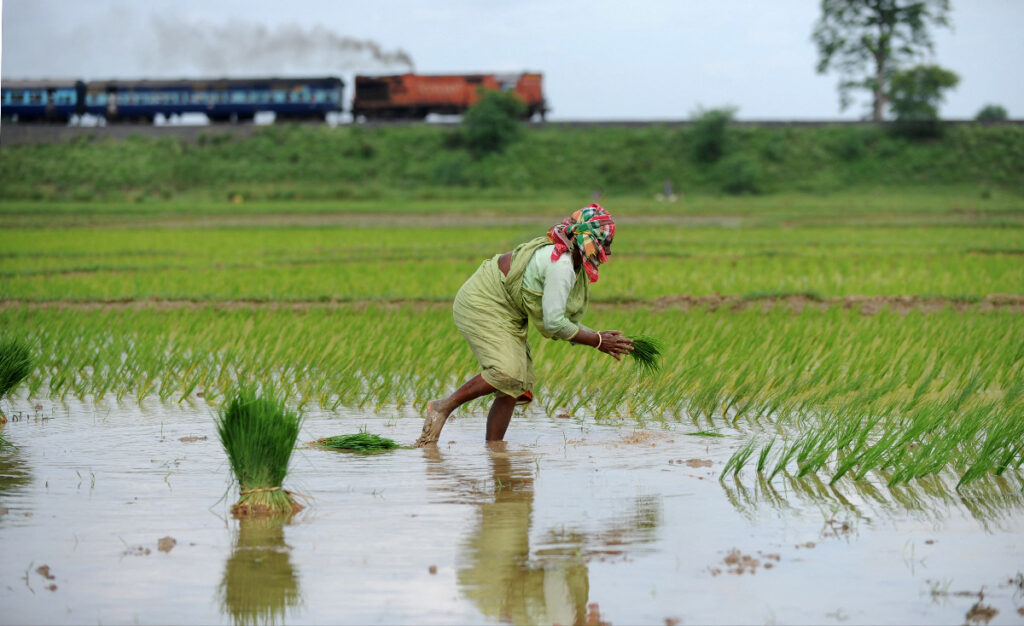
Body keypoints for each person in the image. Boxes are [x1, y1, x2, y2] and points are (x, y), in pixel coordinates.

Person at [415, 204, 634, 446]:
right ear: (590, 241)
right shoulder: (560, 265)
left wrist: (598, 337)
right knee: (507, 372)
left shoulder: (572, 260)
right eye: (606, 244)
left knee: (515, 384)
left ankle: (495, 451)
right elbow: (553, 323)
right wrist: (598, 341)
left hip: (508, 308)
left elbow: (562, 319)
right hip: (485, 302)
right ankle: (443, 406)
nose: (609, 252)